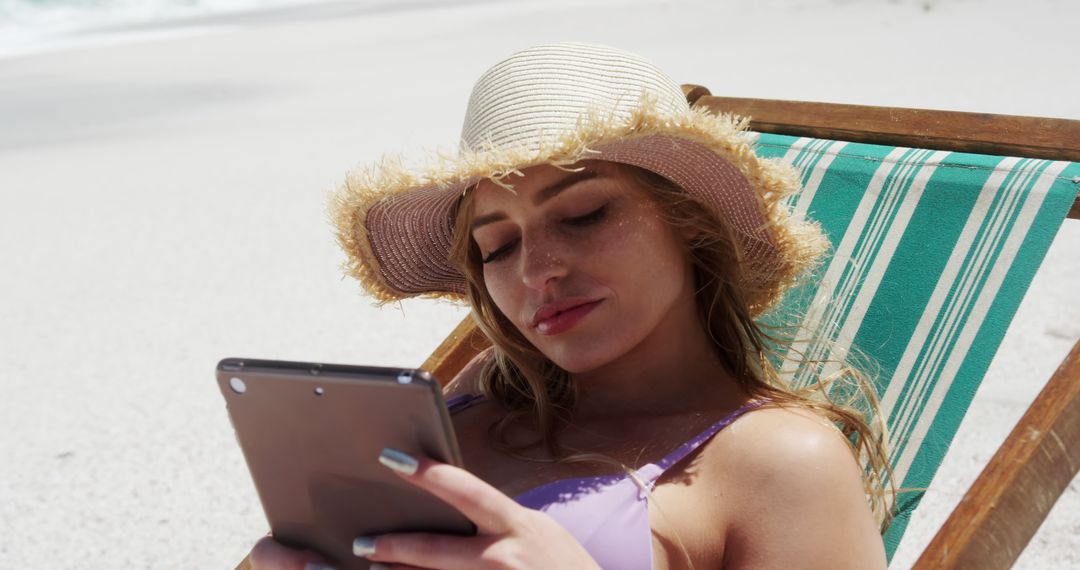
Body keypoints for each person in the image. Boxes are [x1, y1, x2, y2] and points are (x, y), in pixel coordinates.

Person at [251, 42, 893, 570]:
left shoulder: (779, 461)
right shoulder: (481, 395)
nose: (536, 271)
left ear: (690, 224)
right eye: (497, 246)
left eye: (584, 215)